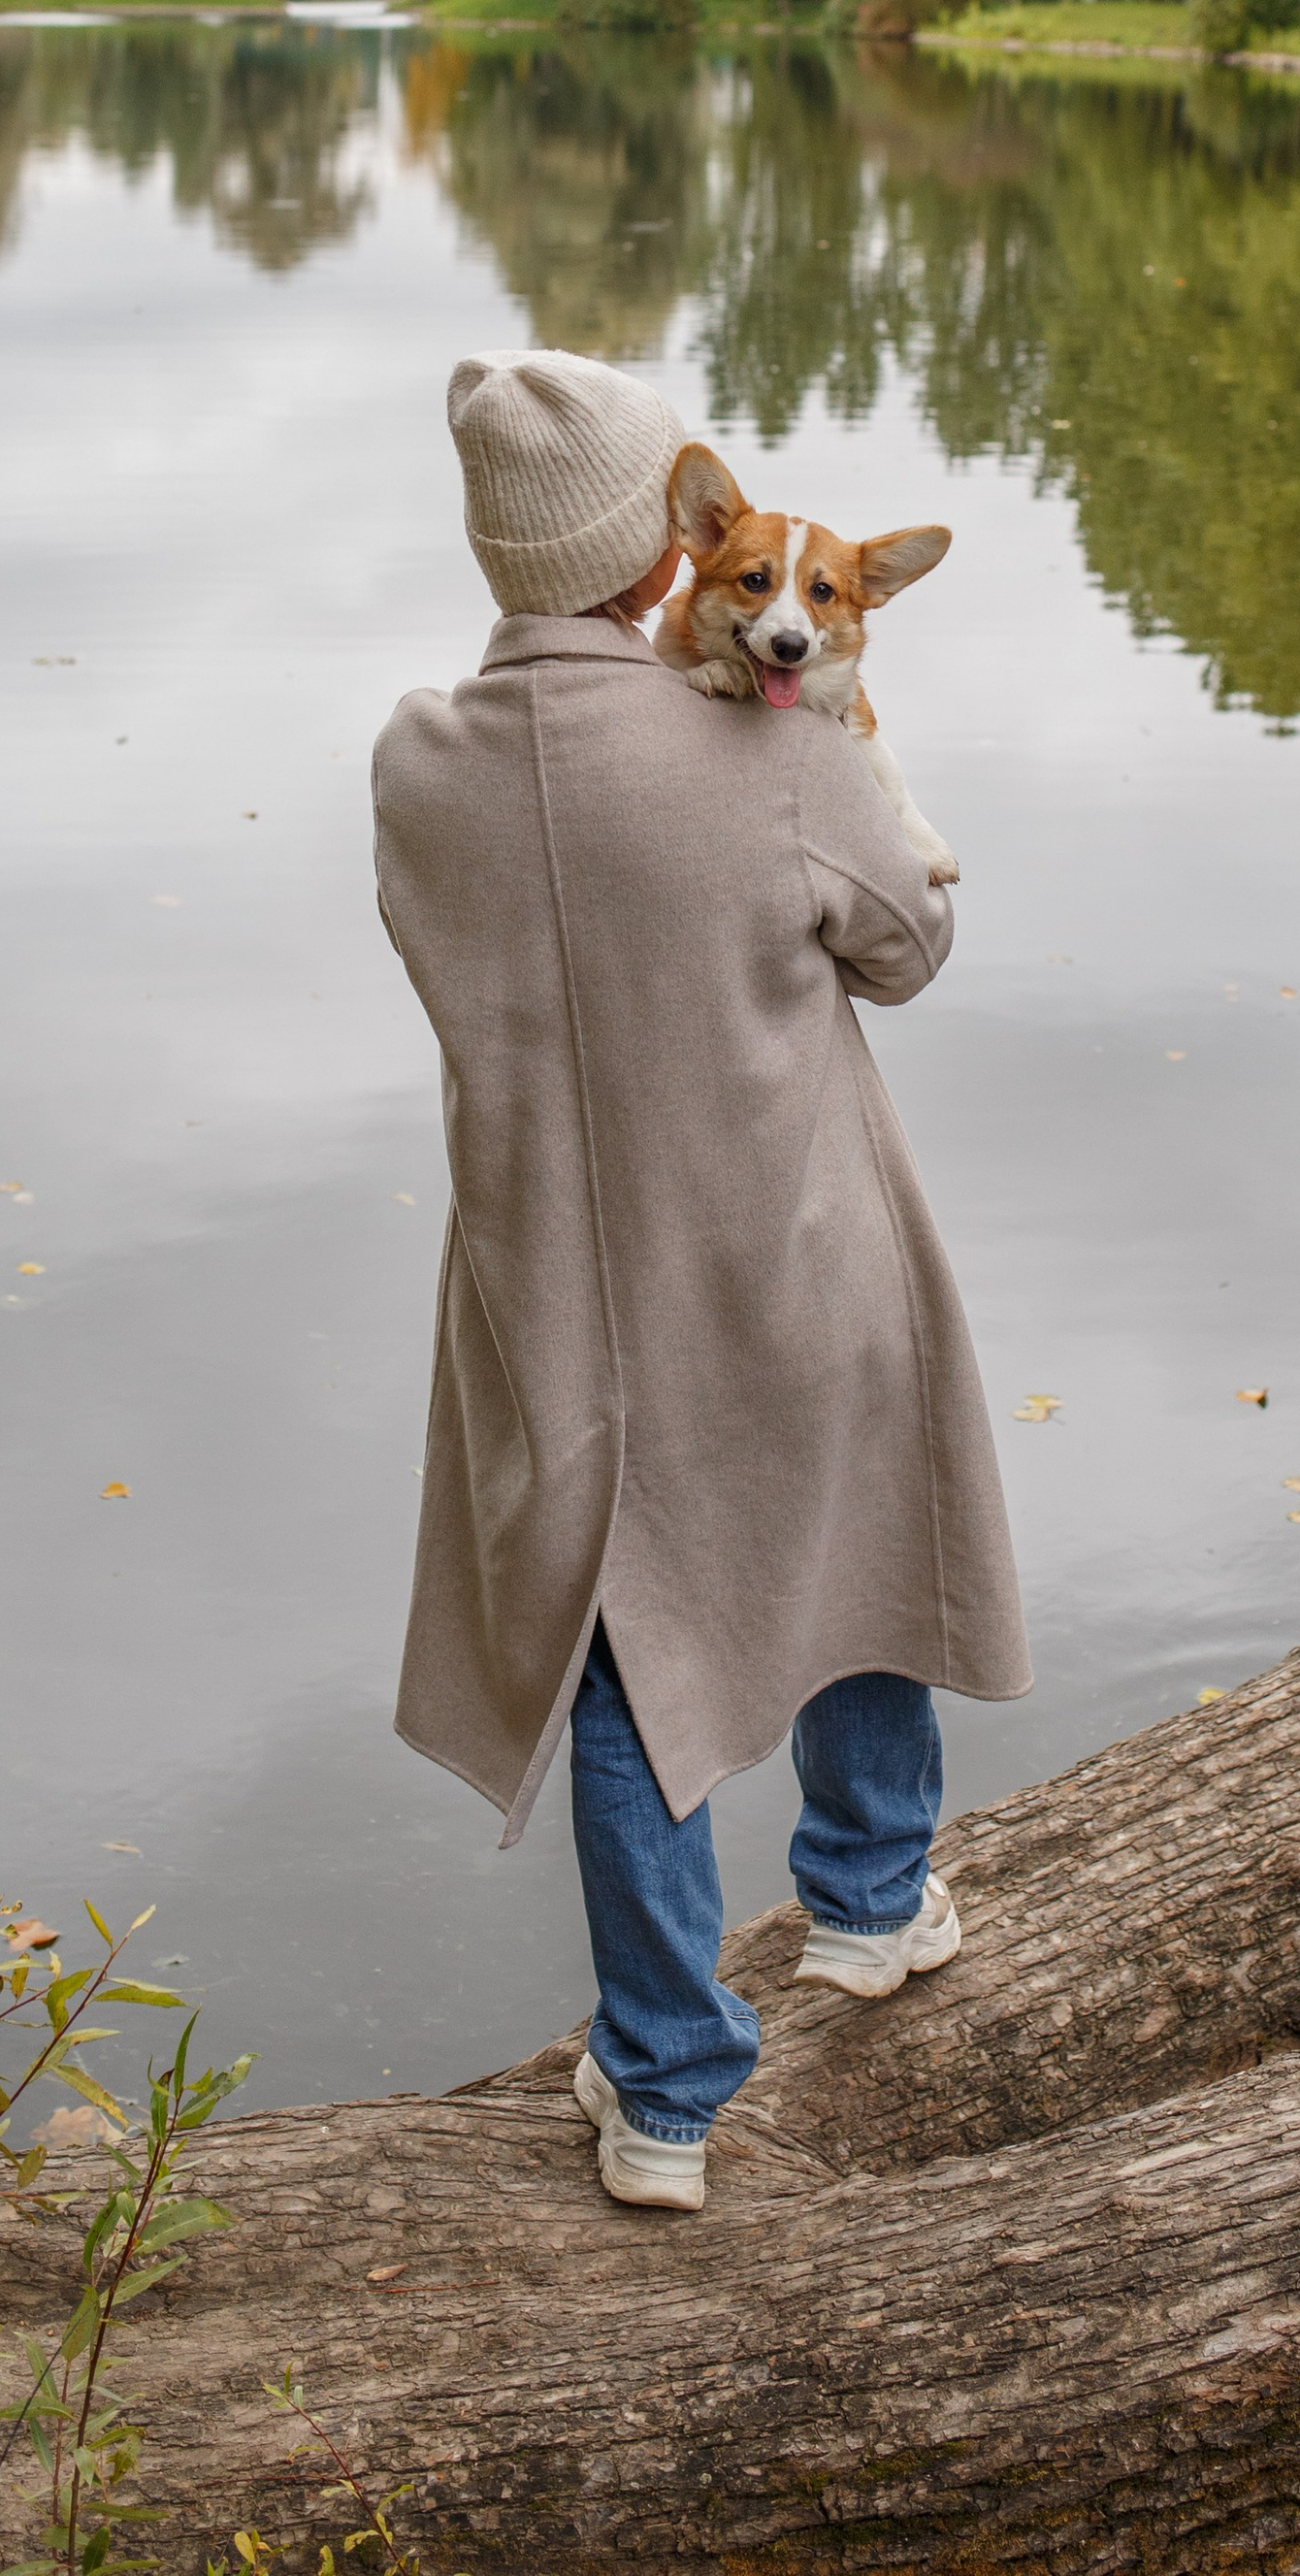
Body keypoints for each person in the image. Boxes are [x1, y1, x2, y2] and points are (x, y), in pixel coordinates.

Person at [372, 346, 1030, 2210]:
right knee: (853, 1529)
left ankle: (663, 2093)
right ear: (666, 551)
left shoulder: (416, 760)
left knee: (620, 1651)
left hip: (557, 1303)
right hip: (788, 1251)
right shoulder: (781, 748)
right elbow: (907, 951)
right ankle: (871, 1900)